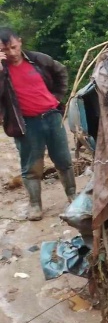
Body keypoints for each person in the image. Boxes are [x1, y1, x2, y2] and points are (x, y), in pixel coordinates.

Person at [0, 28, 76, 221]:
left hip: (52, 117)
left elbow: (61, 72)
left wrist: (57, 97)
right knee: (31, 167)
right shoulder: (2, 70)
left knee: (64, 160)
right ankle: (35, 205)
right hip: (26, 124)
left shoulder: (38, 60)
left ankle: (72, 196)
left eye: (13, 47)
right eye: (5, 50)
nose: (11, 53)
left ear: (20, 42)